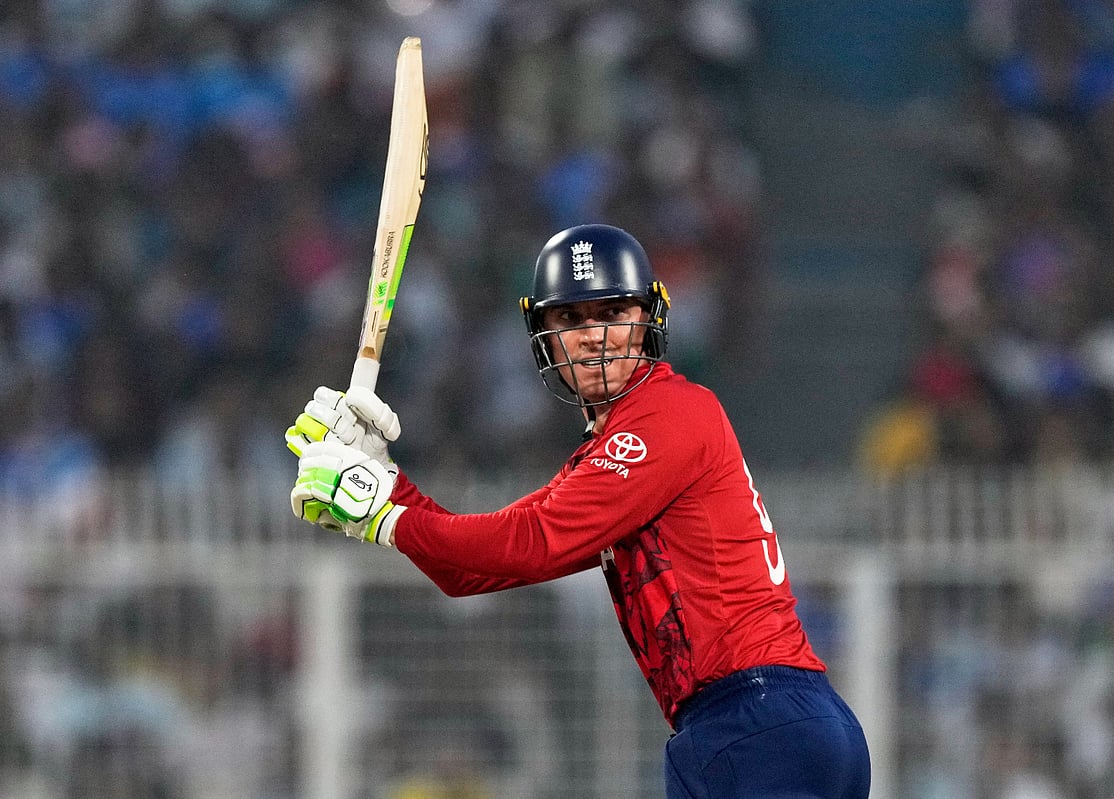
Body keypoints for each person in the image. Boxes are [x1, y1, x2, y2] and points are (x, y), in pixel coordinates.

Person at [287, 223, 871, 797]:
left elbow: (535, 541)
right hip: (749, 727)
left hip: (758, 723)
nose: (594, 336)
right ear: (542, 334)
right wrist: (386, 481)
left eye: (612, 312)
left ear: (648, 321)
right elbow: (472, 570)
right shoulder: (609, 453)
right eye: (570, 319)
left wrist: (382, 515)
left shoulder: (671, 413)